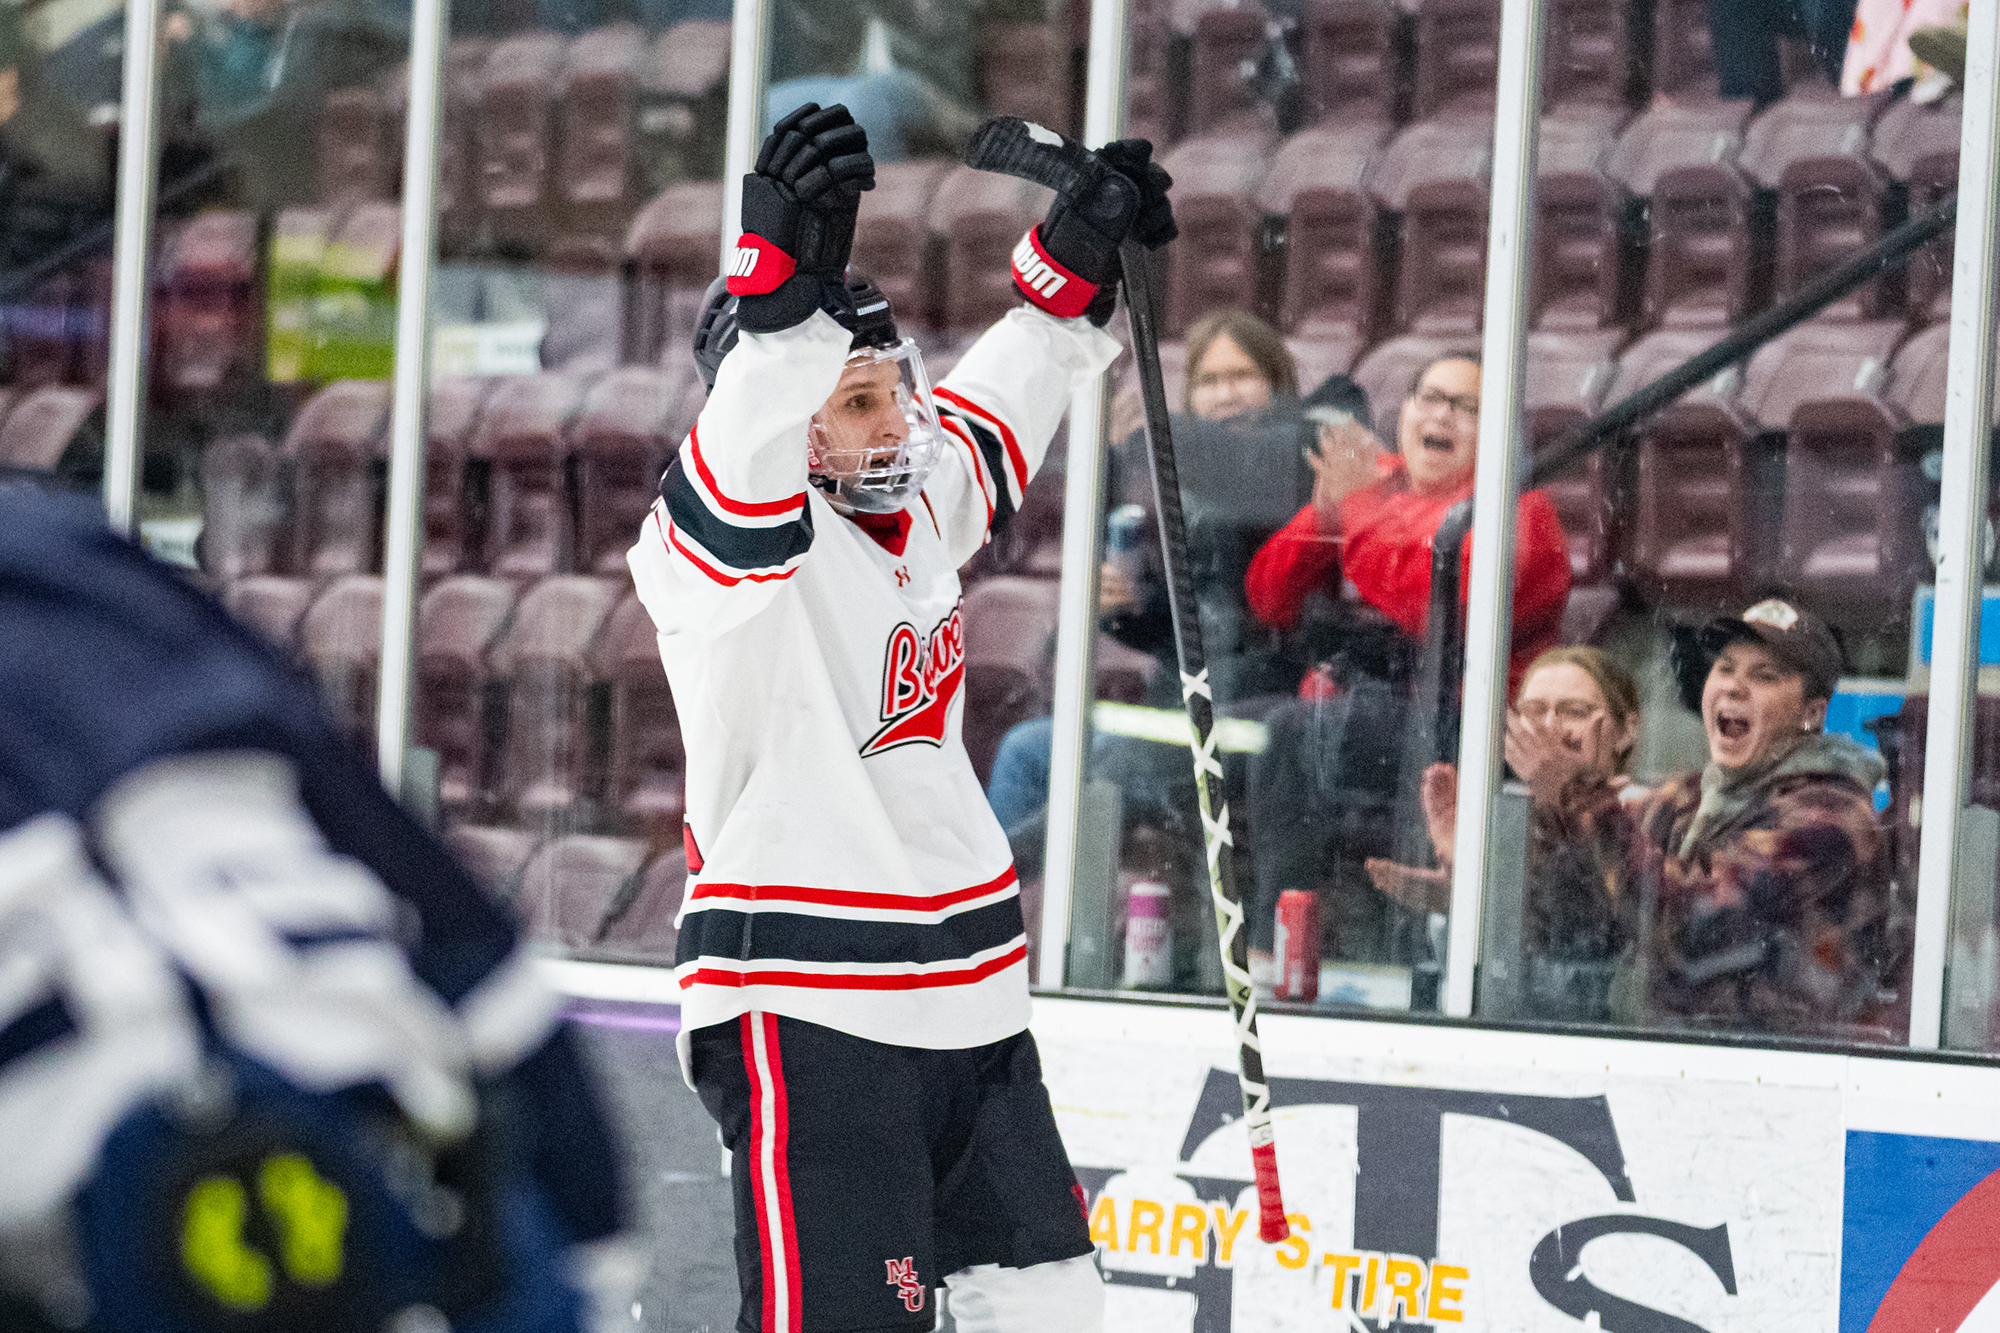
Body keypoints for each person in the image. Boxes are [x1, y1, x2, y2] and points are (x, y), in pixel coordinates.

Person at [630, 103, 1174, 1333]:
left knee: (1042, 1315)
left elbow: (1000, 402)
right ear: (782, 420)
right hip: (808, 1008)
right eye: (856, 404)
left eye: (892, 393)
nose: (897, 428)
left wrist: (1072, 267)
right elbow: (739, 460)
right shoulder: (707, 558)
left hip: (969, 1002)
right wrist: (778, 312)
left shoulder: (917, 509)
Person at [1241, 352, 1573, 991]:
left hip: (1465, 725)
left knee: (1286, 736)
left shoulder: (1517, 513)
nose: (1439, 414)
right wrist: (1325, 513)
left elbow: (1439, 608)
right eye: (1428, 396)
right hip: (1356, 709)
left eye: (1464, 406)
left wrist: (1357, 510)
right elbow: (1269, 597)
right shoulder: (1378, 483)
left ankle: (1274, 950)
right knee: (1222, 734)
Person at [1365, 646, 1648, 1021]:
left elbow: (1601, 947)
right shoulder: (1510, 815)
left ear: (1627, 730)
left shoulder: (1646, 810)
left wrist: (1565, 788)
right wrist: (1461, 891)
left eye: (1574, 712)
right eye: (1534, 711)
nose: (1549, 726)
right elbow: (1481, 980)